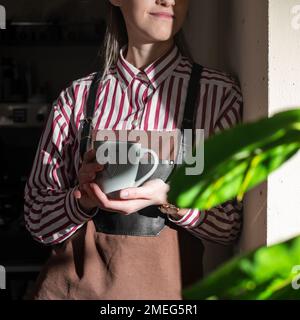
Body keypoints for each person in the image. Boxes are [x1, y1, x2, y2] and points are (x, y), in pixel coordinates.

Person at [24, 0, 243, 300]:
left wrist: (172, 200)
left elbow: (230, 223)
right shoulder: (76, 99)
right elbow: (37, 217)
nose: (169, 0)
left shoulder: (217, 97)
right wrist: (80, 200)